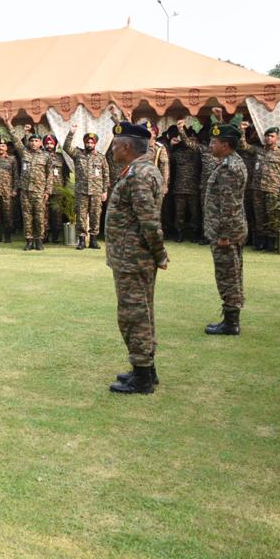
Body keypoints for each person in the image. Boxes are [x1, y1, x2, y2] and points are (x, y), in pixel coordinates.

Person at [106, 122, 168, 395]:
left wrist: (160, 254)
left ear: (127, 147)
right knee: (141, 311)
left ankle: (142, 375)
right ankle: (145, 369)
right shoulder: (140, 170)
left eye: (116, 144)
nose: (113, 148)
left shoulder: (139, 175)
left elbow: (149, 222)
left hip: (133, 257)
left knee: (134, 314)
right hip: (129, 256)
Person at [202, 124, 248, 336]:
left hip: (226, 233)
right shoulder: (230, 163)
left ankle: (231, 323)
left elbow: (229, 205)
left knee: (227, 275)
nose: (211, 145)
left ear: (226, 145)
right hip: (231, 230)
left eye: (214, 142)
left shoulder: (230, 168)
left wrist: (224, 235)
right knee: (232, 273)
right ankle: (230, 319)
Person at [240, 124, 280, 252]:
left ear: (277, 138)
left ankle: (271, 243)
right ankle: (260, 242)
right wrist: (242, 131)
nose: (268, 138)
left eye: (271, 136)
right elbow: (244, 146)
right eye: (267, 136)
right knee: (259, 217)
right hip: (257, 189)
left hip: (273, 190)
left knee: (272, 217)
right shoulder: (258, 150)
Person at [63, 126, 109, 250]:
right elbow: (66, 147)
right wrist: (71, 133)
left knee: (95, 215)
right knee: (81, 216)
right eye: (87, 142)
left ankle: (93, 240)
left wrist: (105, 191)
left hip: (96, 191)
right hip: (81, 191)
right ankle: (82, 240)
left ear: (95, 144)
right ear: (84, 143)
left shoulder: (100, 157)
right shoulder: (78, 154)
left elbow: (105, 174)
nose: (89, 144)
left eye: (91, 142)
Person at [17, 131, 53, 251]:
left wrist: (47, 191)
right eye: (32, 141)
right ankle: (29, 240)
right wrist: (8, 124)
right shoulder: (24, 153)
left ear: (40, 143)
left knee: (39, 216)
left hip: (39, 191)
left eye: (36, 141)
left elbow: (50, 175)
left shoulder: (46, 156)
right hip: (25, 190)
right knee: (27, 216)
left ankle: (39, 240)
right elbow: (15, 140)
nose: (33, 143)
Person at [167, 125, 200, 243]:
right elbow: (167, 159)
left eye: (193, 140)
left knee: (194, 213)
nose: (191, 142)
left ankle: (194, 233)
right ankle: (179, 233)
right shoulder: (178, 153)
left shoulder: (197, 153)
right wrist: (171, 146)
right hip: (179, 188)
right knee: (179, 214)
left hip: (193, 188)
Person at [43, 135, 68, 243]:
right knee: (44, 214)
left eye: (51, 144)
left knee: (57, 214)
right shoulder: (41, 156)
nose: (49, 146)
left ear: (55, 145)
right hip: (43, 189)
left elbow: (66, 174)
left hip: (58, 189)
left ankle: (56, 236)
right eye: (47, 144)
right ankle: (44, 236)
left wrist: (65, 188)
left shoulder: (61, 157)